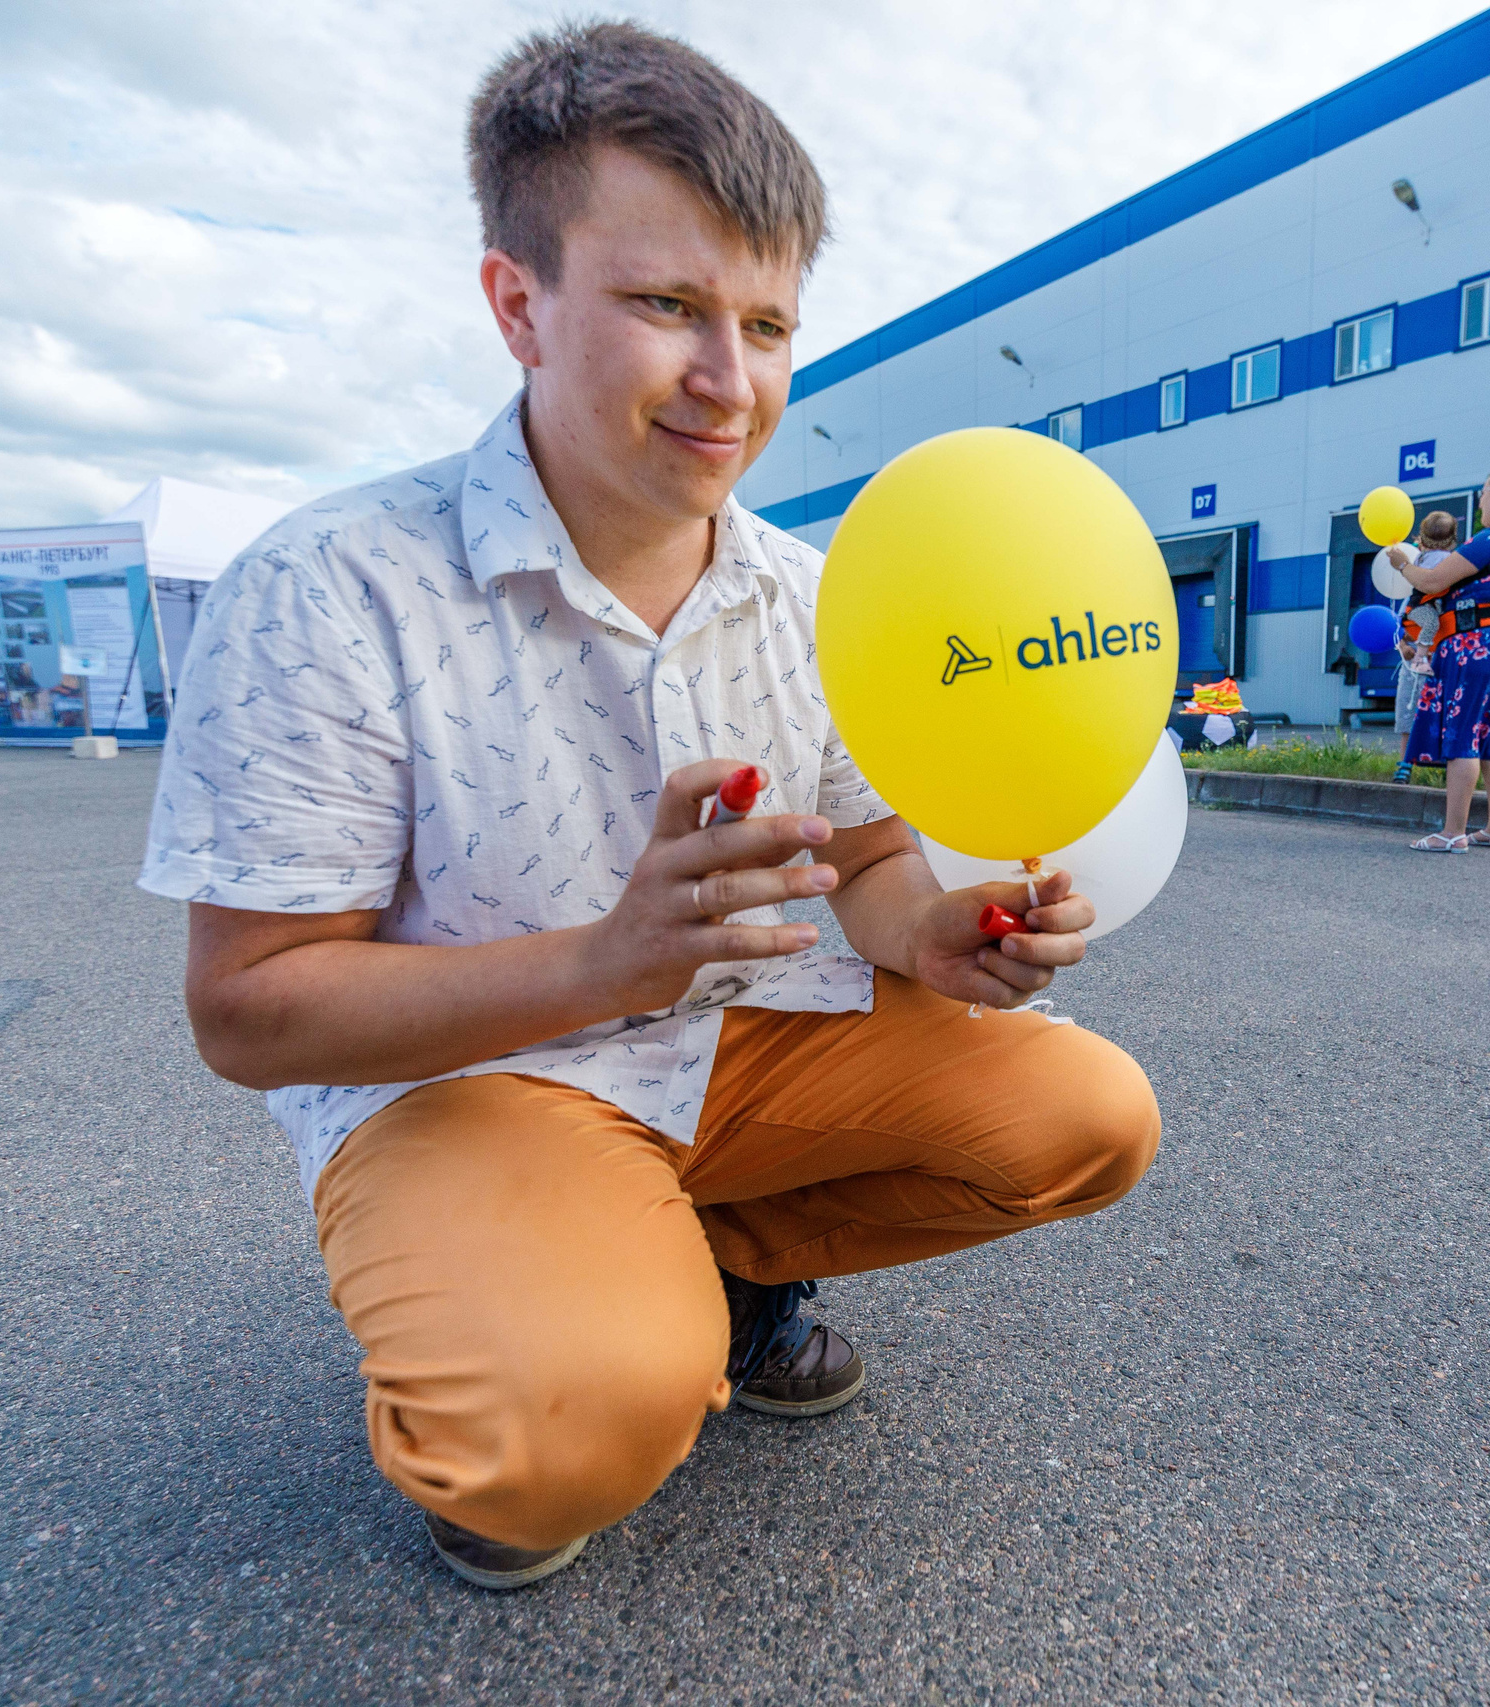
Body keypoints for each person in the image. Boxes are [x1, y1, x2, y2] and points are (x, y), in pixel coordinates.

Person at [140, 22, 1159, 1593]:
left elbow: (872, 855)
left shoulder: (820, 598)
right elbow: (251, 1012)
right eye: (668, 305)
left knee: (1089, 1118)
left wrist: (941, 928)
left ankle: (719, 1273)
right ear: (517, 304)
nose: (729, 382)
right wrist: (610, 960)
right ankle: (533, 1362)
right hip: (475, 1075)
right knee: (565, 1443)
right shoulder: (329, 586)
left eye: (766, 321)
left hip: (743, 1051)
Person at [1401, 468, 1490, 850]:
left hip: (1476, 641)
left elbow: (1431, 582)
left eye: (1482, 492)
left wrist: (1401, 564)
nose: (1480, 501)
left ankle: (1452, 834)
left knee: (1462, 735)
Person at [1387, 511, 1458, 784]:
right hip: (1443, 647)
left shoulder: (1421, 567)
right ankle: (1444, 763)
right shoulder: (1454, 562)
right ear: (1453, 540)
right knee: (1444, 707)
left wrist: (1403, 642)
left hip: (1423, 647)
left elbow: (1410, 608)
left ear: (1420, 538)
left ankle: (1405, 764)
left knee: (1409, 706)